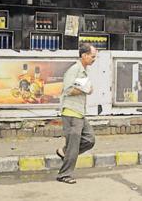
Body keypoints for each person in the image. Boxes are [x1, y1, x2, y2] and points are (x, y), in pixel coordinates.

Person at [56, 43, 97, 184]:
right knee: (73, 147)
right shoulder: (74, 69)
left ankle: (64, 151)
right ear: (84, 55)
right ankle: (64, 175)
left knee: (90, 139)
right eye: (92, 56)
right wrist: (86, 90)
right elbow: (68, 90)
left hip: (80, 112)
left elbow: (83, 88)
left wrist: (88, 89)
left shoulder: (83, 70)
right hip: (71, 112)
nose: (94, 59)